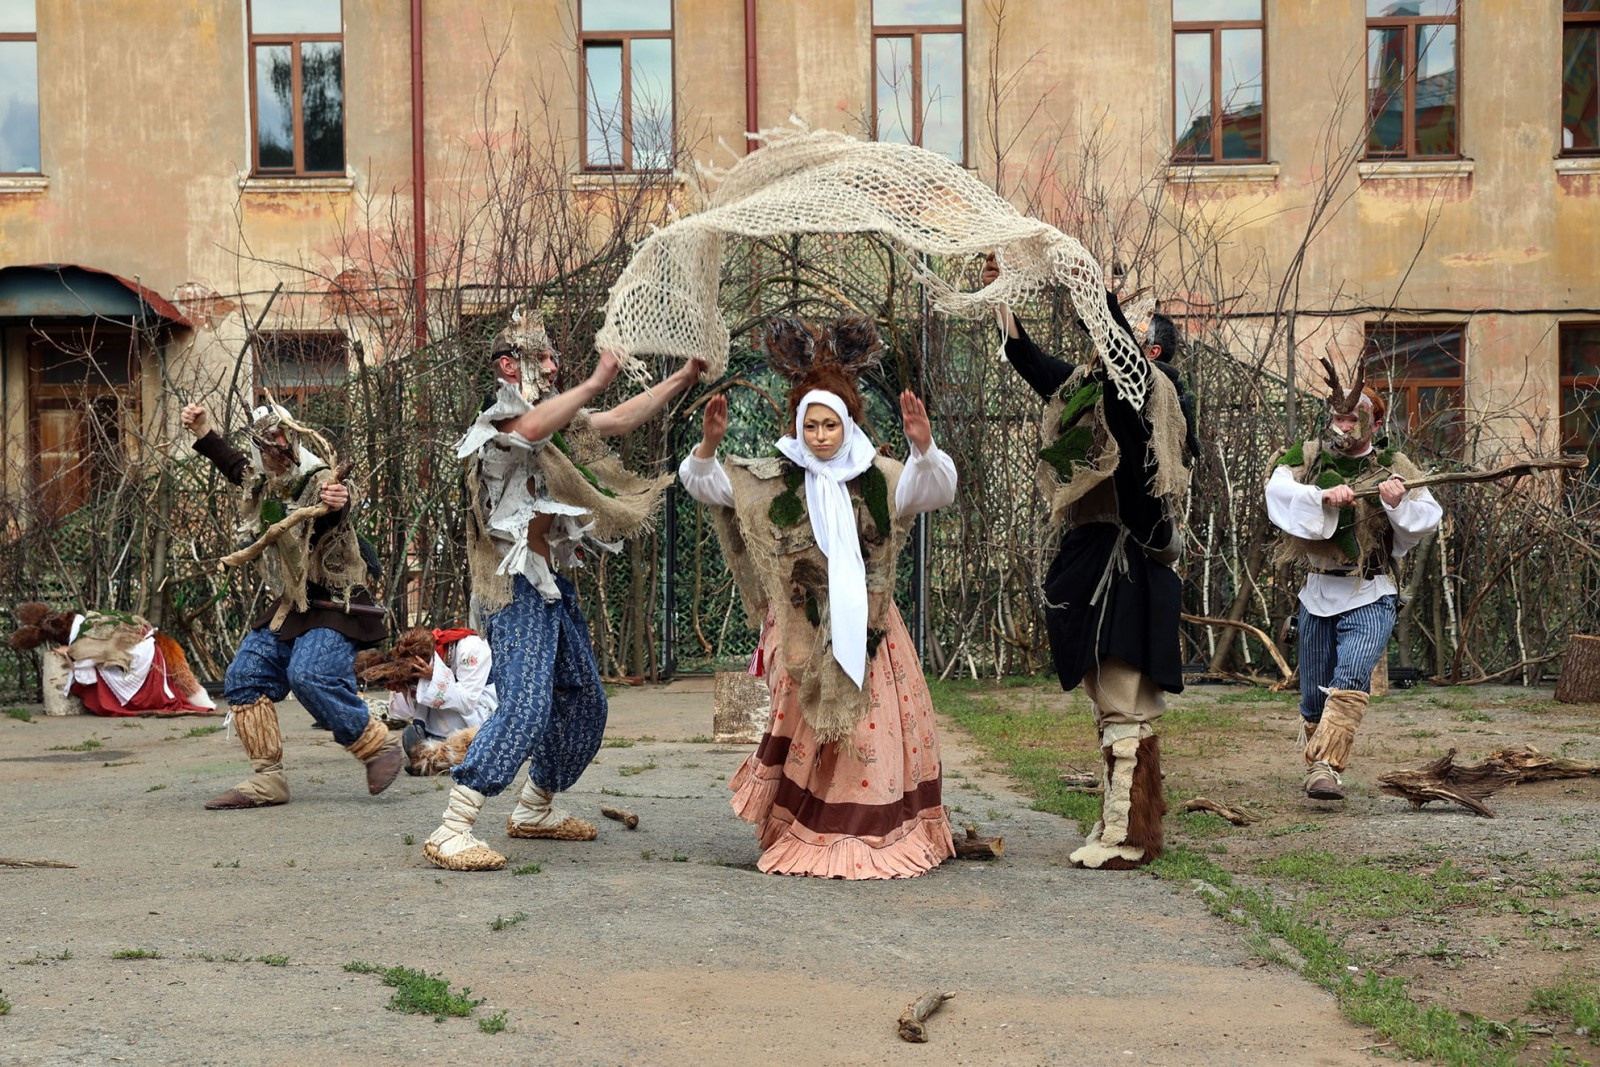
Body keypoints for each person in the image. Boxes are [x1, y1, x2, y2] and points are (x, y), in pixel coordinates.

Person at [422, 310, 703, 872]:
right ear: (509, 366)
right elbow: (529, 429)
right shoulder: (497, 428)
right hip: (513, 590)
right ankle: (452, 828)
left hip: (551, 589)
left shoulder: (558, 428)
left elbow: (621, 418)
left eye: (554, 360)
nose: (553, 367)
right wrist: (593, 381)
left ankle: (533, 810)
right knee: (525, 706)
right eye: (541, 359)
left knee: (585, 703)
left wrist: (687, 376)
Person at [678, 316, 958, 878]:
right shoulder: (777, 479)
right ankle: (804, 822)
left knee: (869, 721)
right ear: (800, 427)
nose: (822, 436)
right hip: (804, 628)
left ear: (849, 423)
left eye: (832, 424)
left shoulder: (877, 475)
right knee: (805, 719)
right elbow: (708, 485)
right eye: (813, 426)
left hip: (868, 627)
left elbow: (935, 490)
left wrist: (924, 448)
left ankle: (867, 826)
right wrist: (709, 446)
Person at [981, 254, 1193, 870]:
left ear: (1146, 353)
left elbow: (1120, 354)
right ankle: (1132, 827)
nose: (1102, 351)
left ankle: (1126, 838)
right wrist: (1002, 290)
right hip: (1100, 555)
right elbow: (1030, 360)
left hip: (1125, 560)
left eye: (1114, 341)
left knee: (1125, 704)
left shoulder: (1143, 394)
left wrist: (1092, 292)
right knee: (1120, 705)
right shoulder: (1089, 391)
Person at [180, 401, 401, 809]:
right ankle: (268, 780)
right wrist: (203, 430)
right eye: (269, 443)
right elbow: (234, 467)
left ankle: (376, 746)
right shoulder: (263, 482)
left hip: (336, 601)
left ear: (294, 439)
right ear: (260, 447)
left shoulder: (317, 478)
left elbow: (336, 505)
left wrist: (339, 500)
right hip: (293, 604)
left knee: (310, 673)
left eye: (284, 439)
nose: (278, 448)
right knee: (244, 675)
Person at [1265, 359, 1441, 801]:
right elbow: (1277, 488)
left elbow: (1427, 516)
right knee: (1312, 693)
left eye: (1353, 418)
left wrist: (1398, 502)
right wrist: (1320, 496)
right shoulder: (1308, 457)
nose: (1343, 426)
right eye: (1338, 417)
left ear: (1375, 421)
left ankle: (1326, 767)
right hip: (1318, 592)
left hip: (1371, 592)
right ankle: (1317, 756)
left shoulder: (1392, 464)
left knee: (1351, 673)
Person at [9, 603, 214, 717]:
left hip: (147, 655)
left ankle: (198, 698)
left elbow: (85, 677)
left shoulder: (83, 644)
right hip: (150, 642)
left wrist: (69, 654)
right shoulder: (93, 618)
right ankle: (200, 697)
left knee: (93, 671)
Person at [365, 626, 497, 776]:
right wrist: (405, 688)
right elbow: (419, 700)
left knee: (434, 687)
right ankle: (426, 738)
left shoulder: (472, 648)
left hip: (480, 708)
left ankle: (433, 753)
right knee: (429, 688)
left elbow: (467, 701)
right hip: (450, 709)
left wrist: (434, 677)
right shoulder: (433, 651)